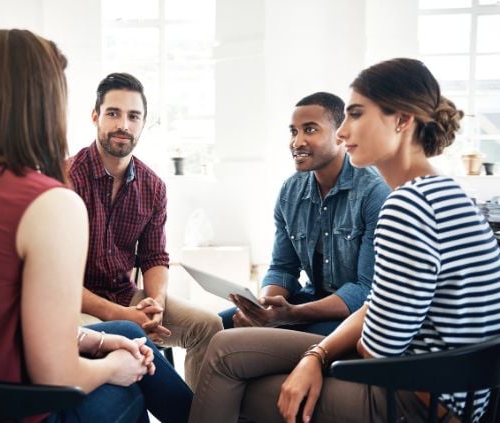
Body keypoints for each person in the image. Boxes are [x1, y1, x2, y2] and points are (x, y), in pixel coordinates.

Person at [0, 29, 192, 423]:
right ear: (45, 102)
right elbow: (56, 379)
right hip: (0, 409)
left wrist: (101, 340)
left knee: (132, 337)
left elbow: (5, 316)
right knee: (131, 386)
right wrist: (111, 367)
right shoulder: (48, 201)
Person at [189, 58, 500, 423]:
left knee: (228, 367)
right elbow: (379, 306)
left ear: (401, 120)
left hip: (418, 399)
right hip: (451, 390)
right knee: (229, 345)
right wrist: (315, 355)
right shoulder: (445, 192)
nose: (341, 132)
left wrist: (315, 358)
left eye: (355, 115)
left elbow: (377, 348)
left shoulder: (406, 205)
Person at [67, 72, 223, 392]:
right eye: (113, 113)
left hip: (127, 296)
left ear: (143, 123)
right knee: (125, 332)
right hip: (73, 305)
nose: (123, 124)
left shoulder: (153, 187)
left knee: (209, 327)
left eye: (133, 116)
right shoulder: (66, 179)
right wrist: (124, 315)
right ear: (95, 117)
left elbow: (154, 256)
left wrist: (155, 303)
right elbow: (57, 281)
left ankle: (203, 415)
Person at [220, 92, 390, 335]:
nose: (297, 142)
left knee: (244, 343)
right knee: (218, 326)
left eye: (310, 130)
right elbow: (282, 267)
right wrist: (264, 308)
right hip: (310, 300)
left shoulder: (374, 192)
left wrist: (290, 315)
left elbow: (366, 290)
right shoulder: (291, 192)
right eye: (293, 131)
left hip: (355, 317)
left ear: (341, 135)